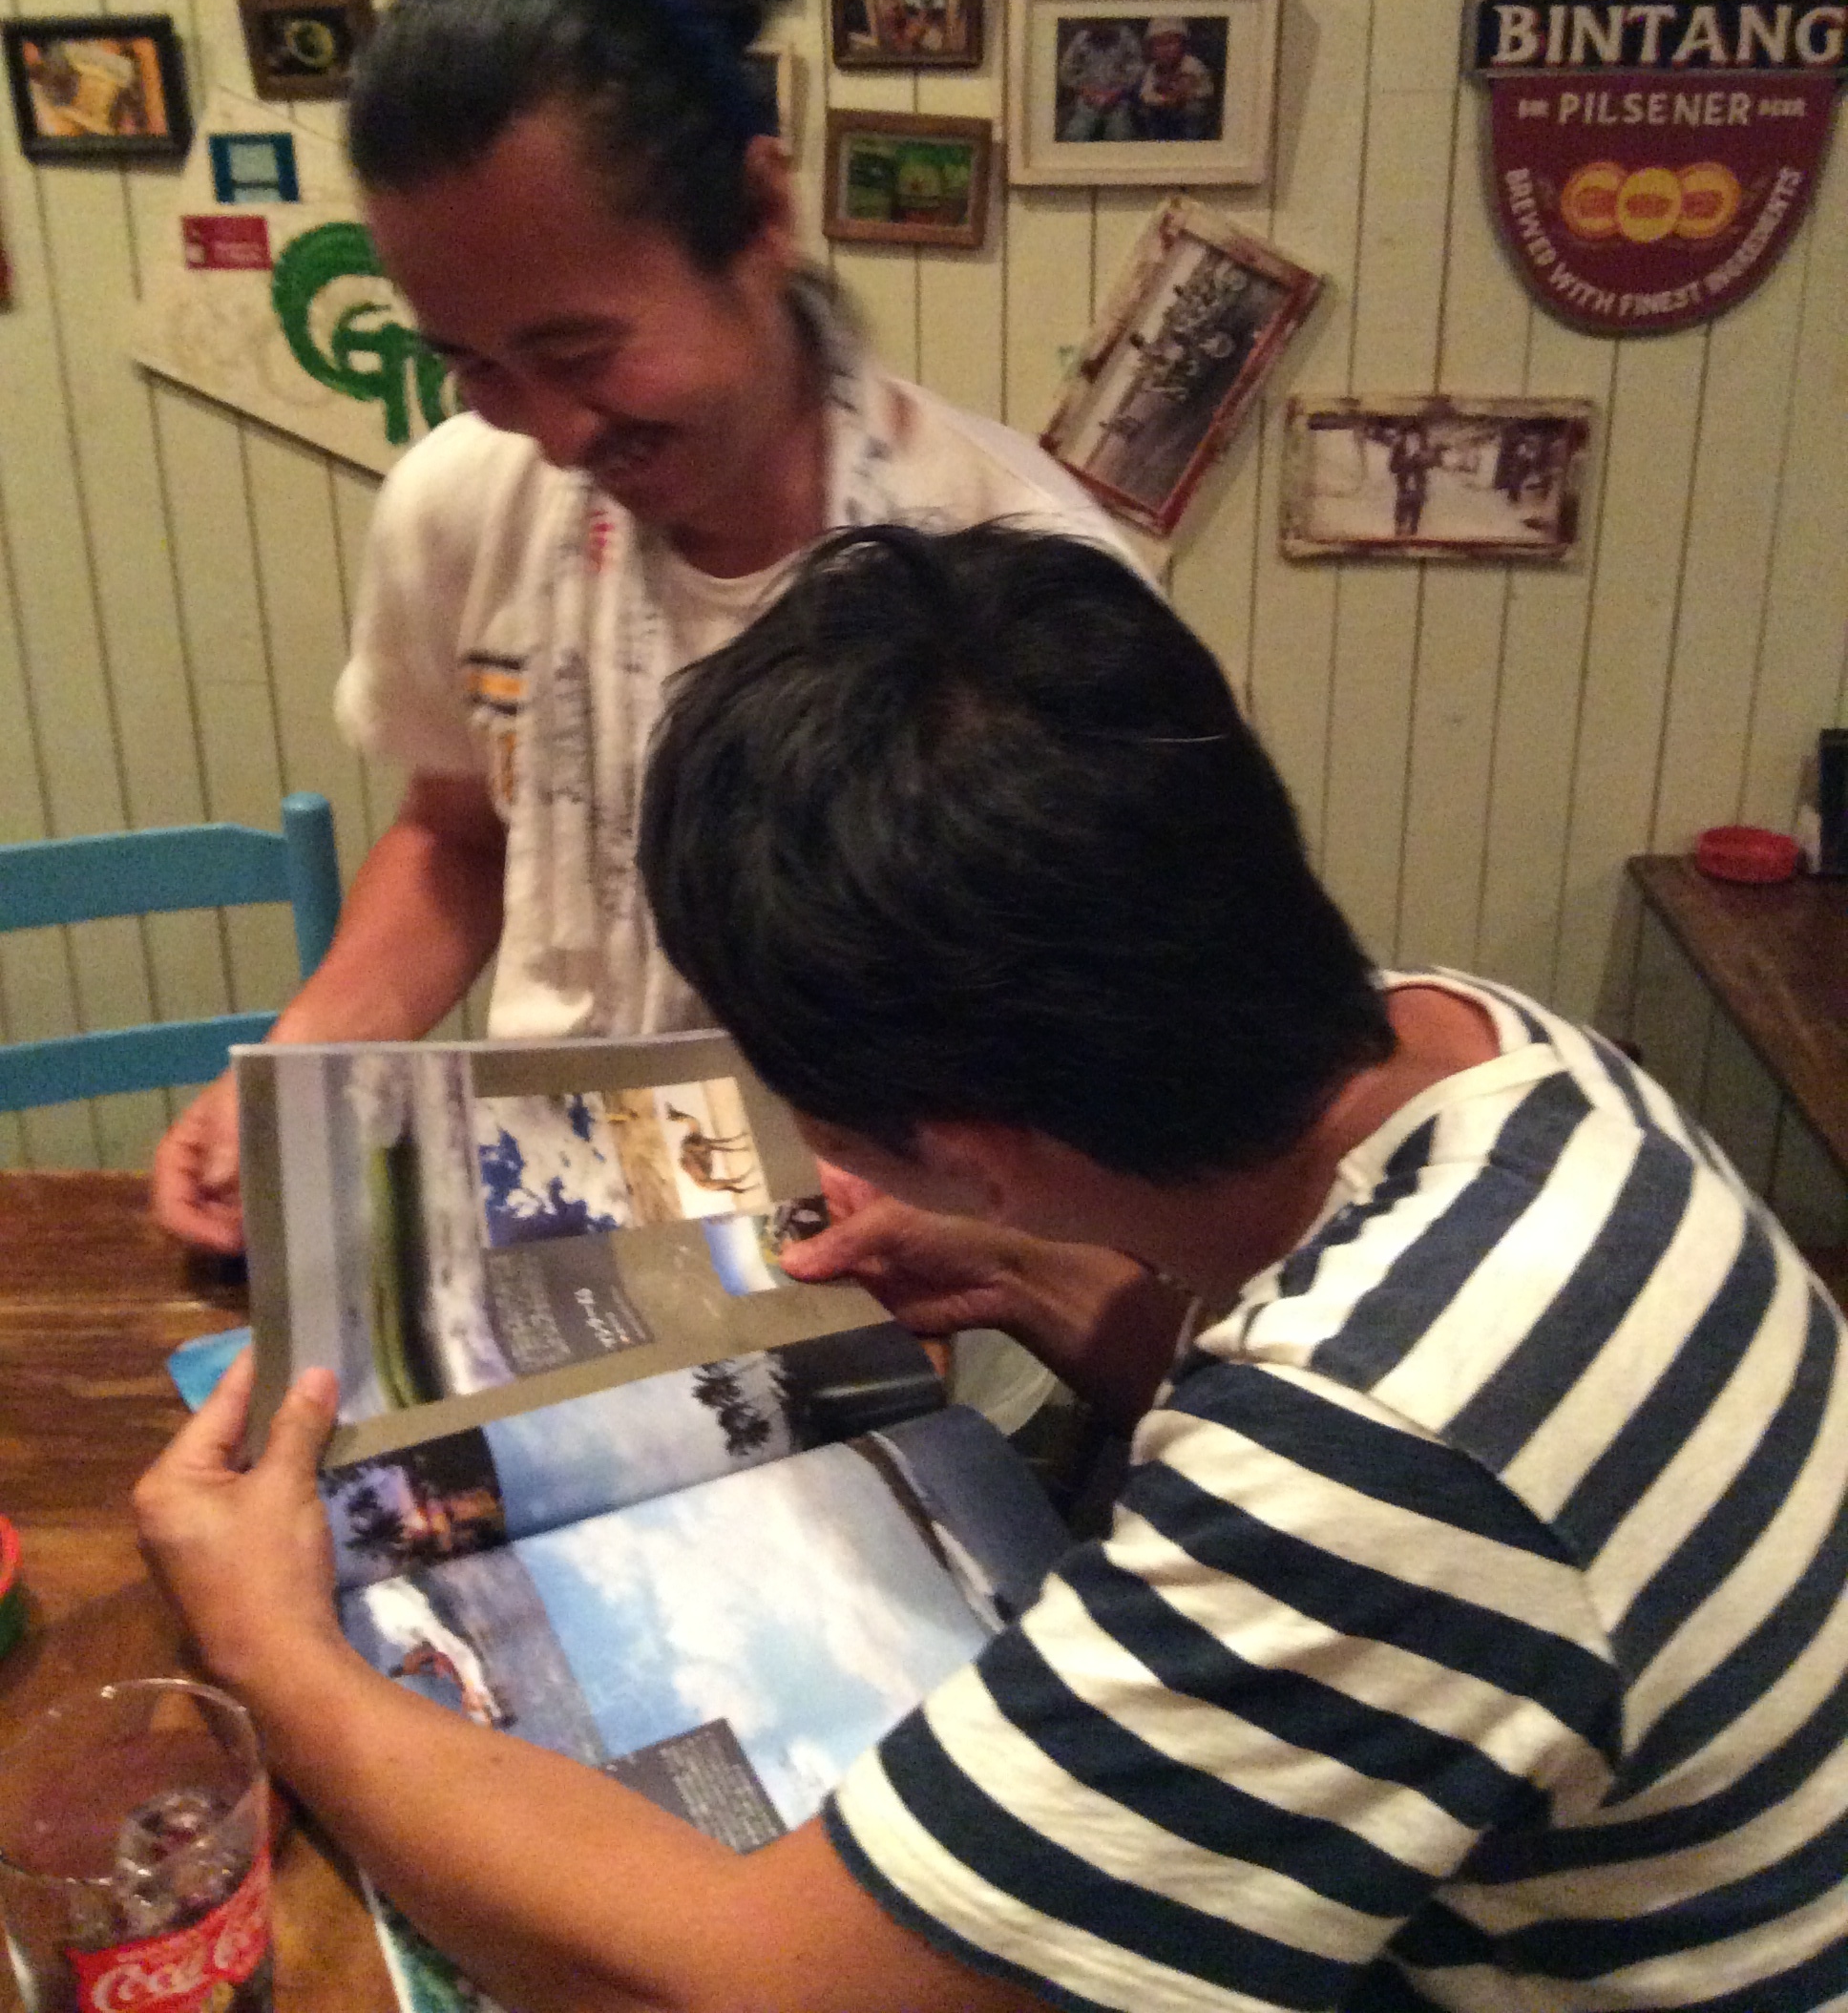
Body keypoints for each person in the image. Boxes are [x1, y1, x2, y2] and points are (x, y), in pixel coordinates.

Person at [139, 525, 1848, 2011]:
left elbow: (748, 1981)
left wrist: (276, 1650)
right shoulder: (1490, 1045)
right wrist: (1036, 1280)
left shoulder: (1372, 1459)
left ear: (966, 1142)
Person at [150, 0, 1126, 1257]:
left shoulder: (1020, 569)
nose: (551, 435)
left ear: (761, 214)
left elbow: (1100, 1059)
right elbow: (457, 837)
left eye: (580, 351)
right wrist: (298, 1070)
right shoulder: (457, 501)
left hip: (880, 1247)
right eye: (473, 364)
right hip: (553, 1210)